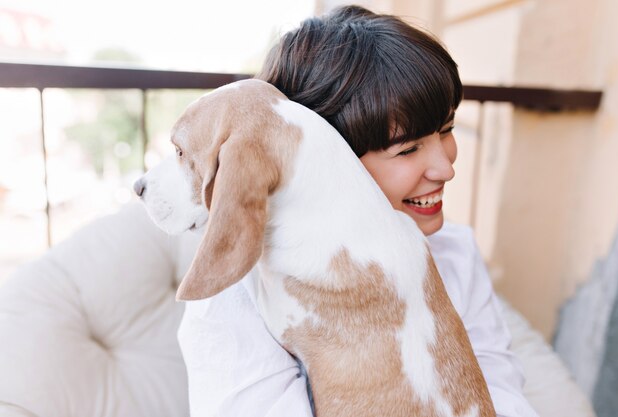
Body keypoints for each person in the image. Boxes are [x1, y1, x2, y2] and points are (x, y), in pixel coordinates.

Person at [177, 5, 539, 417]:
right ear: (329, 157)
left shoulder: (453, 252)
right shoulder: (234, 295)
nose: (446, 168)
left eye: (447, 130)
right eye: (408, 149)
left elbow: (501, 390)